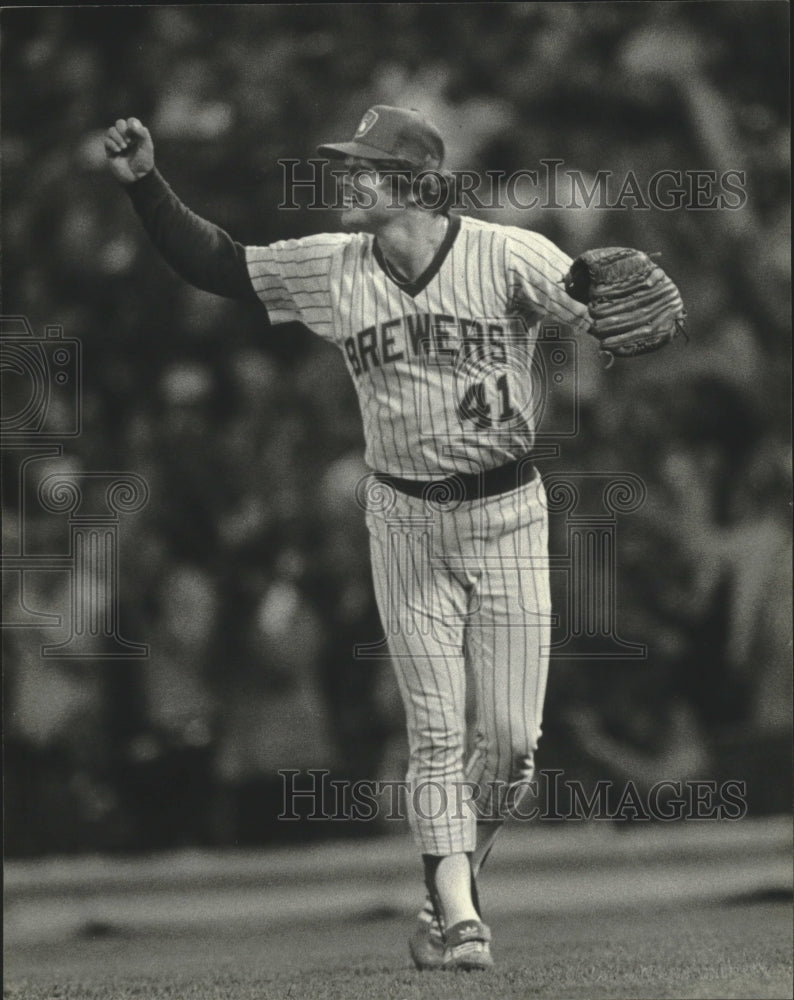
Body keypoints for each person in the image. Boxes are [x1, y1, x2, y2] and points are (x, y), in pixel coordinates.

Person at [104, 105, 591, 971]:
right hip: (403, 515)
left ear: (417, 182)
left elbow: (599, 304)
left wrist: (619, 317)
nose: (346, 177)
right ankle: (460, 916)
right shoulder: (335, 266)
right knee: (438, 731)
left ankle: (449, 892)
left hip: (508, 510)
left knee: (513, 743)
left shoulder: (503, 252)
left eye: (365, 166)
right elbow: (218, 262)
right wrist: (147, 185)